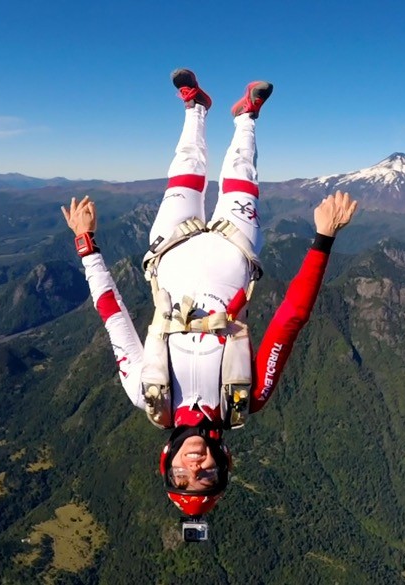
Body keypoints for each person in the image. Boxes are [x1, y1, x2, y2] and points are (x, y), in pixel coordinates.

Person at [62, 68, 357, 519]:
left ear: (167, 461)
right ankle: (246, 117)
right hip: (233, 251)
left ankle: (196, 108)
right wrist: (323, 241)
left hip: (168, 249)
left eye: (181, 476)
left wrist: (87, 247)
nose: (194, 466)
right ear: (224, 464)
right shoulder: (246, 397)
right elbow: (289, 321)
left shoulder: (148, 394)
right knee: (240, 172)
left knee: (184, 174)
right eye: (207, 477)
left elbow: (114, 319)